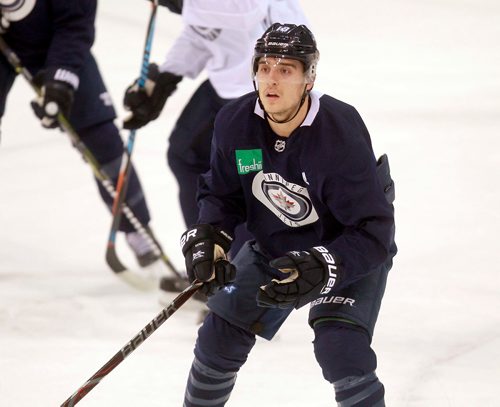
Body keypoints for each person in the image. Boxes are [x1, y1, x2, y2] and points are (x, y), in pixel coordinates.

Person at [178, 23, 397, 406]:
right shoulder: (235, 122)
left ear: (308, 78)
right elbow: (222, 194)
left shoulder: (339, 132)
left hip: (344, 245)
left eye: (285, 70)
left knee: (341, 349)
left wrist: (327, 265)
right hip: (276, 239)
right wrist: (210, 237)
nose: (271, 80)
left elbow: (373, 229)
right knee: (218, 338)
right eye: (264, 68)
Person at [122, 0, 308, 261]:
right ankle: (206, 256)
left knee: (249, 182)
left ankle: (245, 277)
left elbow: (247, 10)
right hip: (226, 85)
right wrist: (167, 75)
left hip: (265, 90)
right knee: (185, 155)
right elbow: (205, 32)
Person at [0, 1, 169, 275]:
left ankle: (138, 231)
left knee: (101, 138)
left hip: (56, 40)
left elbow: (75, 26)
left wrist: (60, 83)